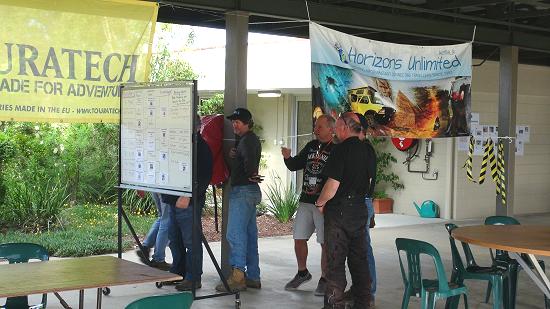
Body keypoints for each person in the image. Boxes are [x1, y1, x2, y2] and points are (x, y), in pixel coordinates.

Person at [315, 112, 373, 309]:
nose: (335, 130)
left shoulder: (340, 150)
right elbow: (371, 181)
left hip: (340, 211)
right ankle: (365, 302)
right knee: (359, 260)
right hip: (360, 207)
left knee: (335, 262)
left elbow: (332, 184)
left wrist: (320, 203)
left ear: (345, 128)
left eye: (337, 126)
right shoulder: (368, 150)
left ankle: (334, 303)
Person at [281, 114, 335, 295]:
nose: (315, 130)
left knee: (324, 242)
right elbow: (295, 164)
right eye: (315, 126)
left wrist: (326, 201)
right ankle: (302, 273)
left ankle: (325, 278)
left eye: (320, 127)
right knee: (299, 237)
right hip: (306, 199)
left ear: (331, 129)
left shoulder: (336, 148)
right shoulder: (312, 146)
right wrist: (287, 157)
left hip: (324, 203)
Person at [162, 115, 213, 291]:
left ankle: (193, 278)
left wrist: (189, 195)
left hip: (188, 203)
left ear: (196, 128)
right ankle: (178, 272)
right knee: (174, 240)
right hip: (172, 200)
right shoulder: (179, 146)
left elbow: (205, 175)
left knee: (191, 242)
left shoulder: (201, 149)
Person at [216, 107, 263, 292]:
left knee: (235, 235)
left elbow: (250, 165)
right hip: (249, 192)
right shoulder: (246, 140)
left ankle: (237, 278)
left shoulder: (247, 141)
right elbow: (246, 160)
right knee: (249, 235)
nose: (234, 125)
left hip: (242, 191)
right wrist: (236, 156)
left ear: (247, 123)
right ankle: (253, 276)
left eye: (238, 122)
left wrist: (249, 170)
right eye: (233, 122)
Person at [136, 192, 172, 271]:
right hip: (167, 186)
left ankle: (145, 248)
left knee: (162, 217)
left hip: (155, 186)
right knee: (167, 220)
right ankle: (158, 259)